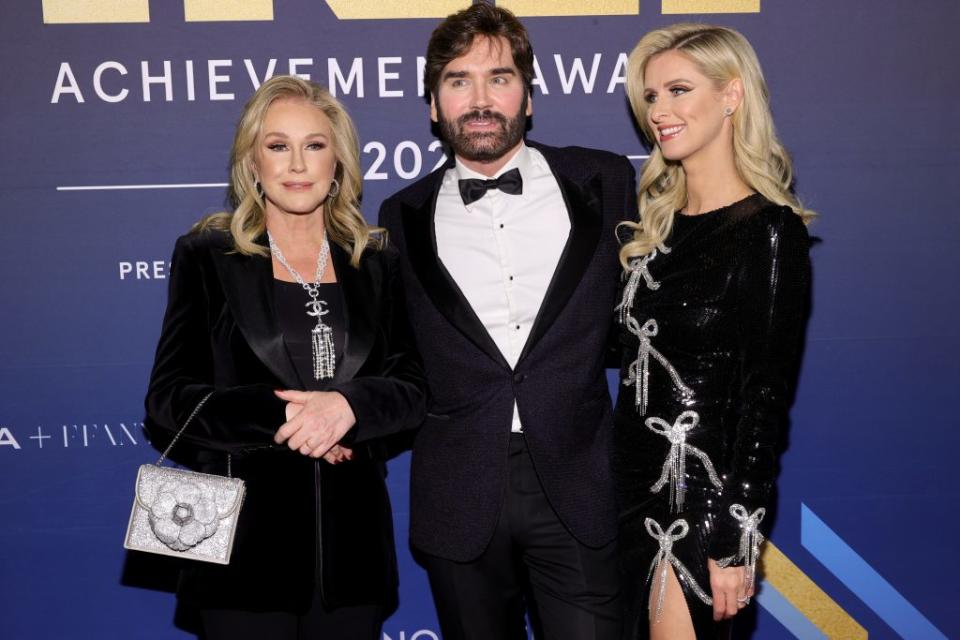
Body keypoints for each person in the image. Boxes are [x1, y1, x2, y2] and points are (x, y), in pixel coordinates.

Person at [377, 4, 636, 639]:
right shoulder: (399, 215)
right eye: (458, 80)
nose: (481, 99)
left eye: (499, 77)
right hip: (460, 497)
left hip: (580, 484)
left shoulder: (604, 181)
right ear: (434, 106)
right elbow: (396, 359)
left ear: (527, 95)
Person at [143, 74, 426, 640]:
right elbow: (169, 396)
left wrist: (350, 407)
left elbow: (412, 385)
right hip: (239, 552)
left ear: (339, 163)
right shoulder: (207, 256)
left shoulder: (377, 263)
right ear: (252, 163)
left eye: (314, 145)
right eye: (278, 146)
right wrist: (286, 418)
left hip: (352, 558)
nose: (297, 163)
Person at [613, 24, 813, 639]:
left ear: (732, 96)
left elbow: (764, 401)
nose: (660, 112)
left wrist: (737, 538)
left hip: (700, 499)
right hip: (623, 494)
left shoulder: (770, 232)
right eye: (650, 97)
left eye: (678, 89)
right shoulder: (652, 232)